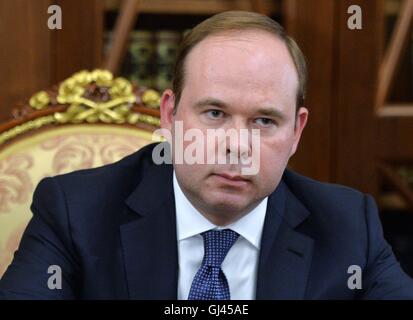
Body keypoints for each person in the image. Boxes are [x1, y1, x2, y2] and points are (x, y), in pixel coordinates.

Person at [1, 11, 413, 300]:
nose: (237, 145)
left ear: (296, 131)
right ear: (170, 115)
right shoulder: (77, 212)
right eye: (215, 114)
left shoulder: (347, 226)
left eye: (265, 121)